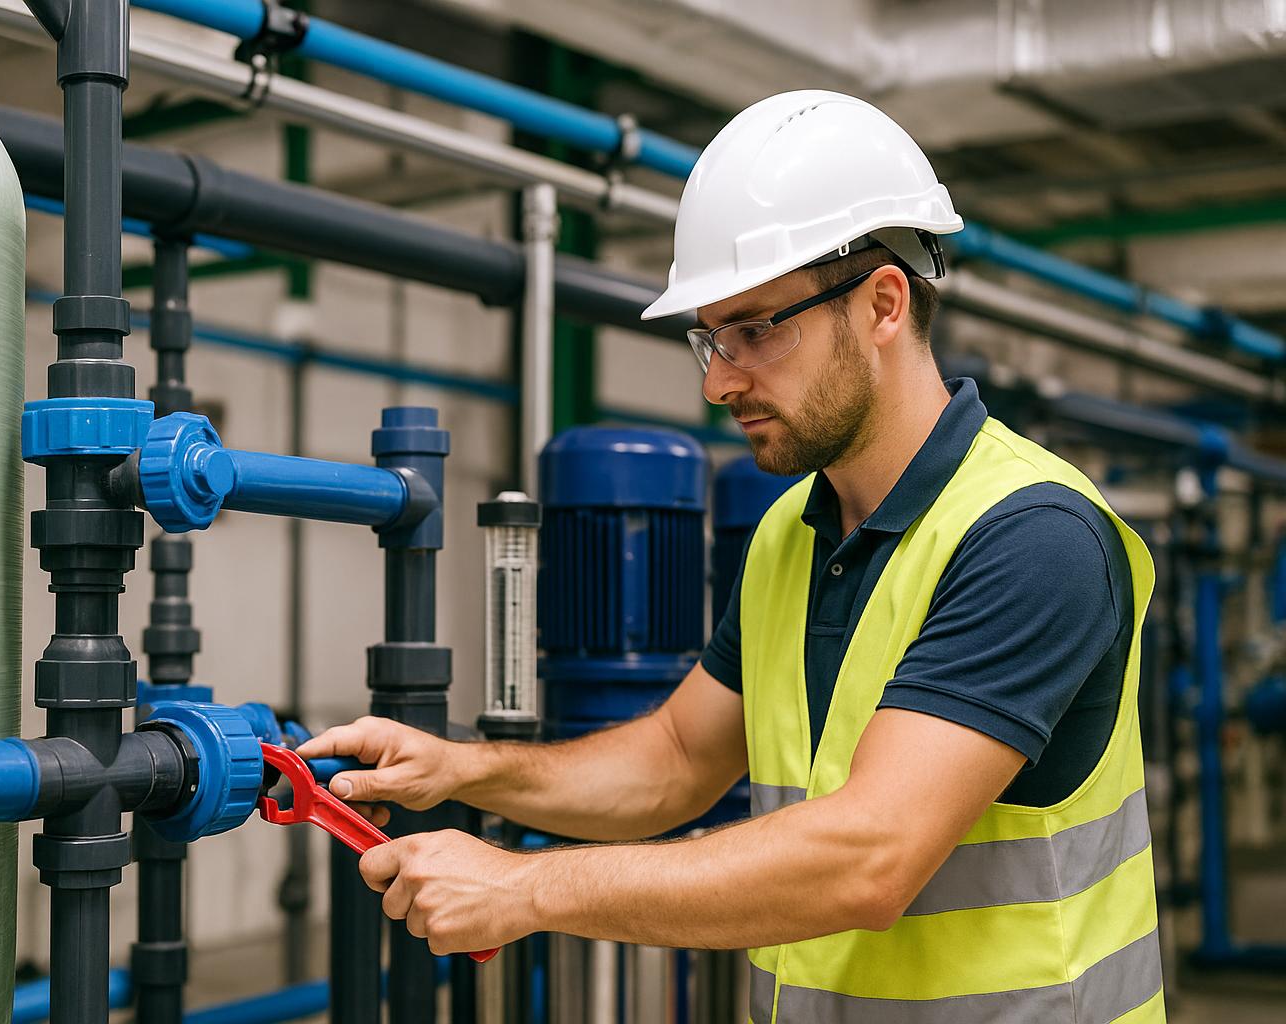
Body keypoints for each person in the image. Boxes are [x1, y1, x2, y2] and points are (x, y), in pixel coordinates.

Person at [298, 90, 1164, 1023]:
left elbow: (870, 856)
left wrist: (525, 888)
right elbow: (675, 761)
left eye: (756, 330)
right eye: (710, 337)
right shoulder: (792, 531)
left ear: (882, 303)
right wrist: (465, 769)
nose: (718, 379)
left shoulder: (1031, 535)